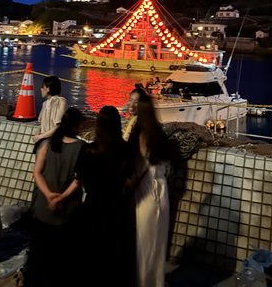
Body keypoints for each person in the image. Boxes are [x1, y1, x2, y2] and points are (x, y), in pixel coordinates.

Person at [25, 107, 85, 286]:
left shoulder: (47, 144)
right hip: (67, 210)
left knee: (38, 252)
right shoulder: (81, 148)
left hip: (43, 208)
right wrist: (61, 197)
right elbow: (79, 179)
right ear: (76, 126)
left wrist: (49, 195)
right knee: (61, 254)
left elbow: (37, 172)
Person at [79, 105, 136, 286]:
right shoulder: (126, 150)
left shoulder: (88, 150)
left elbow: (82, 178)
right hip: (117, 207)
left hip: (93, 205)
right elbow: (130, 177)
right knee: (115, 256)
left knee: (92, 254)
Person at [128, 92, 173, 287]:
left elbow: (133, 167)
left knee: (143, 247)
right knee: (158, 245)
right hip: (162, 193)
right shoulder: (159, 133)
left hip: (145, 194)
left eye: (134, 103)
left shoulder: (139, 135)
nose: (131, 105)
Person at [32, 75, 68, 152]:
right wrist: (37, 135)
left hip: (53, 142)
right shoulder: (44, 104)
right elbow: (40, 125)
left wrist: (40, 136)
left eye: (43, 87)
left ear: (48, 89)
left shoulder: (61, 101)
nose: (41, 89)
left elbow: (58, 126)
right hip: (43, 140)